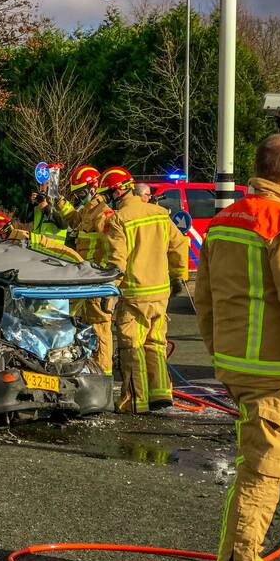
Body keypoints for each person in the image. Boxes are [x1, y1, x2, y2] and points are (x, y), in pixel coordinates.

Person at [197, 136, 280, 561]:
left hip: (243, 366)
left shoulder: (222, 223)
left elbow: (203, 301)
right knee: (263, 476)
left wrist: (223, 355)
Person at [102, 166, 188, 414]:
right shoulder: (160, 213)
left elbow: (118, 262)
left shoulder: (119, 220)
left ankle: (135, 401)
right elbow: (179, 244)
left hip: (133, 295)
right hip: (160, 294)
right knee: (156, 343)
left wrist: (108, 292)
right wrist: (178, 276)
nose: (109, 199)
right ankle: (162, 394)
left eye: (109, 193)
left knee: (132, 348)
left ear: (118, 191)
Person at [58, 165, 116, 375]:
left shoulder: (103, 213)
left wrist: (107, 279)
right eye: (77, 194)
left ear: (94, 187)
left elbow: (113, 247)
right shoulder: (89, 210)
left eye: (82, 193)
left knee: (100, 329)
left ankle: (104, 375)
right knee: (80, 325)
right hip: (84, 278)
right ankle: (89, 371)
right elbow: (76, 220)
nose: (80, 197)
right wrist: (59, 202)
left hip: (97, 280)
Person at [0, 212, 83, 263]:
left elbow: (63, 252)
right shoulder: (10, 245)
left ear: (2, 235)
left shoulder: (27, 241)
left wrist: (82, 266)